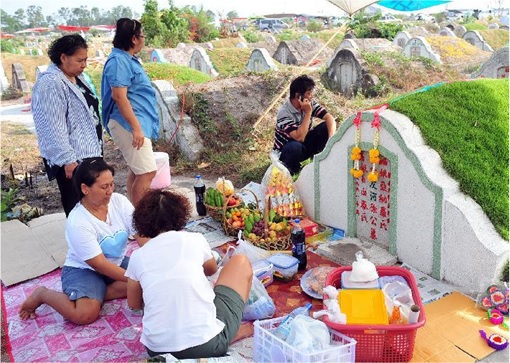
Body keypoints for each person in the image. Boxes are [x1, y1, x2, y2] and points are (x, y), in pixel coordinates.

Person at [126, 189, 253, 359]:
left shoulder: (138, 256)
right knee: (241, 262)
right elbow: (212, 270)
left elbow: (133, 303)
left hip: (156, 350)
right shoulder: (194, 239)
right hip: (207, 346)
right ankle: (231, 330)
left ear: (142, 223)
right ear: (180, 215)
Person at [19, 158, 138, 325]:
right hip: (84, 269)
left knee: (148, 284)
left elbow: (142, 234)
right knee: (84, 314)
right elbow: (99, 264)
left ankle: (94, 294)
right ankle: (42, 294)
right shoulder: (78, 221)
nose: (110, 191)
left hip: (116, 263)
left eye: (112, 184)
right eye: (104, 187)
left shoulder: (120, 202)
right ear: (85, 189)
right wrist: (136, 278)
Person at [32, 34, 103, 216]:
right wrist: (66, 159)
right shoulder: (51, 82)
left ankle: (96, 240)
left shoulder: (76, 77)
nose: (84, 64)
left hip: (88, 153)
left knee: (94, 204)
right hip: (72, 160)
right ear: (63, 58)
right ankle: (81, 243)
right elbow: (52, 124)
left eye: (86, 59)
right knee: (78, 208)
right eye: (80, 60)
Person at [101, 18, 159, 207]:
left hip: (132, 123)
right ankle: (143, 223)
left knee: (137, 171)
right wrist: (136, 128)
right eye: (142, 36)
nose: (144, 40)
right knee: (147, 173)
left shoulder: (126, 58)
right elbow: (119, 96)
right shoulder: (119, 61)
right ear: (134, 39)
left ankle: (136, 218)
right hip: (127, 124)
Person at [273, 75, 336, 175]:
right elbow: (299, 137)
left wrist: (331, 139)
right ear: (298, 96)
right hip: (287, 150)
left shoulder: (309, 103)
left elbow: (330, 118)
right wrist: (308, 113)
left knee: (325, 127)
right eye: (309, 94)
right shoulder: (284, 113)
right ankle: (292, 171)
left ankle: (319, 161)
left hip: (303, 145)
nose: (311, 96)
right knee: (294, 146)